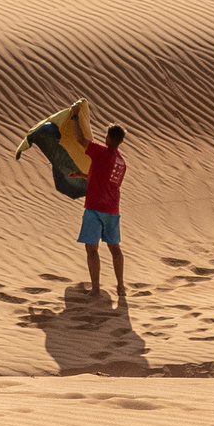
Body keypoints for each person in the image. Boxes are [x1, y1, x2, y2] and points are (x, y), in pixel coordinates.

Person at [80, 123, 128, 300]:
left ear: (108, 137)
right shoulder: (121, 162)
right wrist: (83, 175)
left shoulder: (101, 151)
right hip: (112, 210)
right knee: (115, 248)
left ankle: (95, 290)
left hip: (94, 208)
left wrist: (76, 116)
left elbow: (80, 139)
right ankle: (121, 287)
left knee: (92, 249)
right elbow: (107, 180)